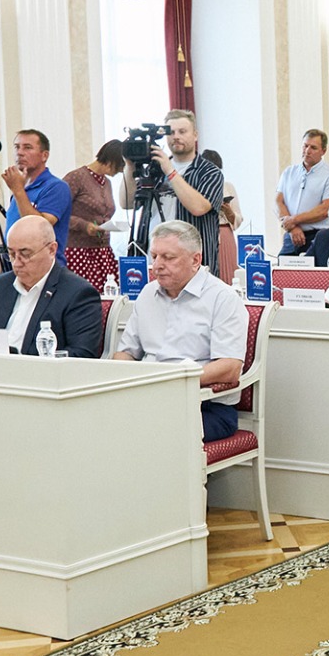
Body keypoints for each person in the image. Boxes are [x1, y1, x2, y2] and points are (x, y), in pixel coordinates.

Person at [112, 220, 247, 442]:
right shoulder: (147, 293)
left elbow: (229, 368)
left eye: (168, 257)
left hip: (203, 405)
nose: (157, 265)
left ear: (195, 260)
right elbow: (125, 353)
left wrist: (171, 381)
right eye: (154, 256)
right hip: (146, 397)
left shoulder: (223, 298)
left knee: (146, 432)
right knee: (97, 421)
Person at [0, 218, 103, 358]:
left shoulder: (77, 293)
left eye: (25, 254)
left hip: (38, 370)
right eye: (11, 254)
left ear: (52, 250)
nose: (16, 263)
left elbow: (82, 355)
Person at [125, 109, 226, 276]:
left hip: (192, 265)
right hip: (154, 258)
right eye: (171, 132)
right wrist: (130, 167)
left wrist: (170, 171)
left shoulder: (209, 172)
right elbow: (127, 203)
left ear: (195, 135)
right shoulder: (154, 169)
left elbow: (199, 207)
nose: (176, 137)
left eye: (182, 131)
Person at [61, 139, 124, 293]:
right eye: (120, 166)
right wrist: (84, 226)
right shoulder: (76, 177)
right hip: (78, 252)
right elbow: (58, 213)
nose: (121, 171)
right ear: (111, 161)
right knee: (81, 297)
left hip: (102, 254)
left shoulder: (106, 182)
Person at [274, 128, 329, 256]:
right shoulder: (289, 172)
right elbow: (279, 201)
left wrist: (294, 220)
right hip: (292, 234)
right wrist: (293, 227)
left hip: (318, 236)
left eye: (313, 147)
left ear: (323, 151)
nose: (307, 151)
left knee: (316, 269)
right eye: (305, 146)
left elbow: (325, 209)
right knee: (282, 267)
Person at [2, 128, 73, 247]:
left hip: (43, 258)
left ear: (44, 156)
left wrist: (18, 191)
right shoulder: (21, 187)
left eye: (27, 147)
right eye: (17, 147)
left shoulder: (56, 187)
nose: (19, 153)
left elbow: (39, 228)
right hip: (15, 258)